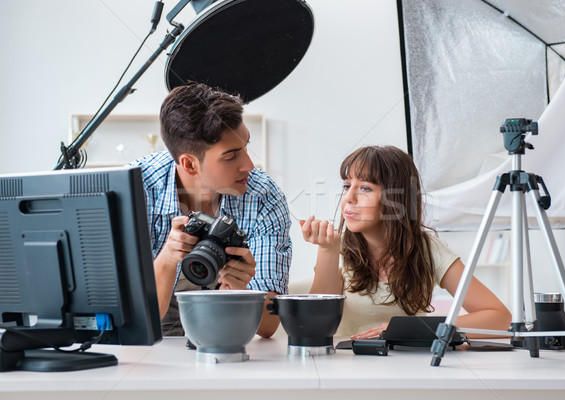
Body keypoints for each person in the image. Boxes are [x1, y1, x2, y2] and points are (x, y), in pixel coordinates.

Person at [129, 83, 292, 338]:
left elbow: (269, 326)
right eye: (231, 156)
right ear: (190, 164)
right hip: (152, 335)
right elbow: (134, 317)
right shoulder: (136, 190)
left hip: (227, 328)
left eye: (246, 147)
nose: (248, 165)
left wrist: (242, 289)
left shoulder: (263, 197)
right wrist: (168, 258)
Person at [300, 145, 511, 339]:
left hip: (410, 370)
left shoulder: (426, 249)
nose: (348, 198)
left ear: (395, 199)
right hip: (344, 370)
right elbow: (315, 328)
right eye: (347, 186)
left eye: (365, 188)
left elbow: (499, 318)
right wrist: (327, 250)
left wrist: (411, 329)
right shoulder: (337, 247)